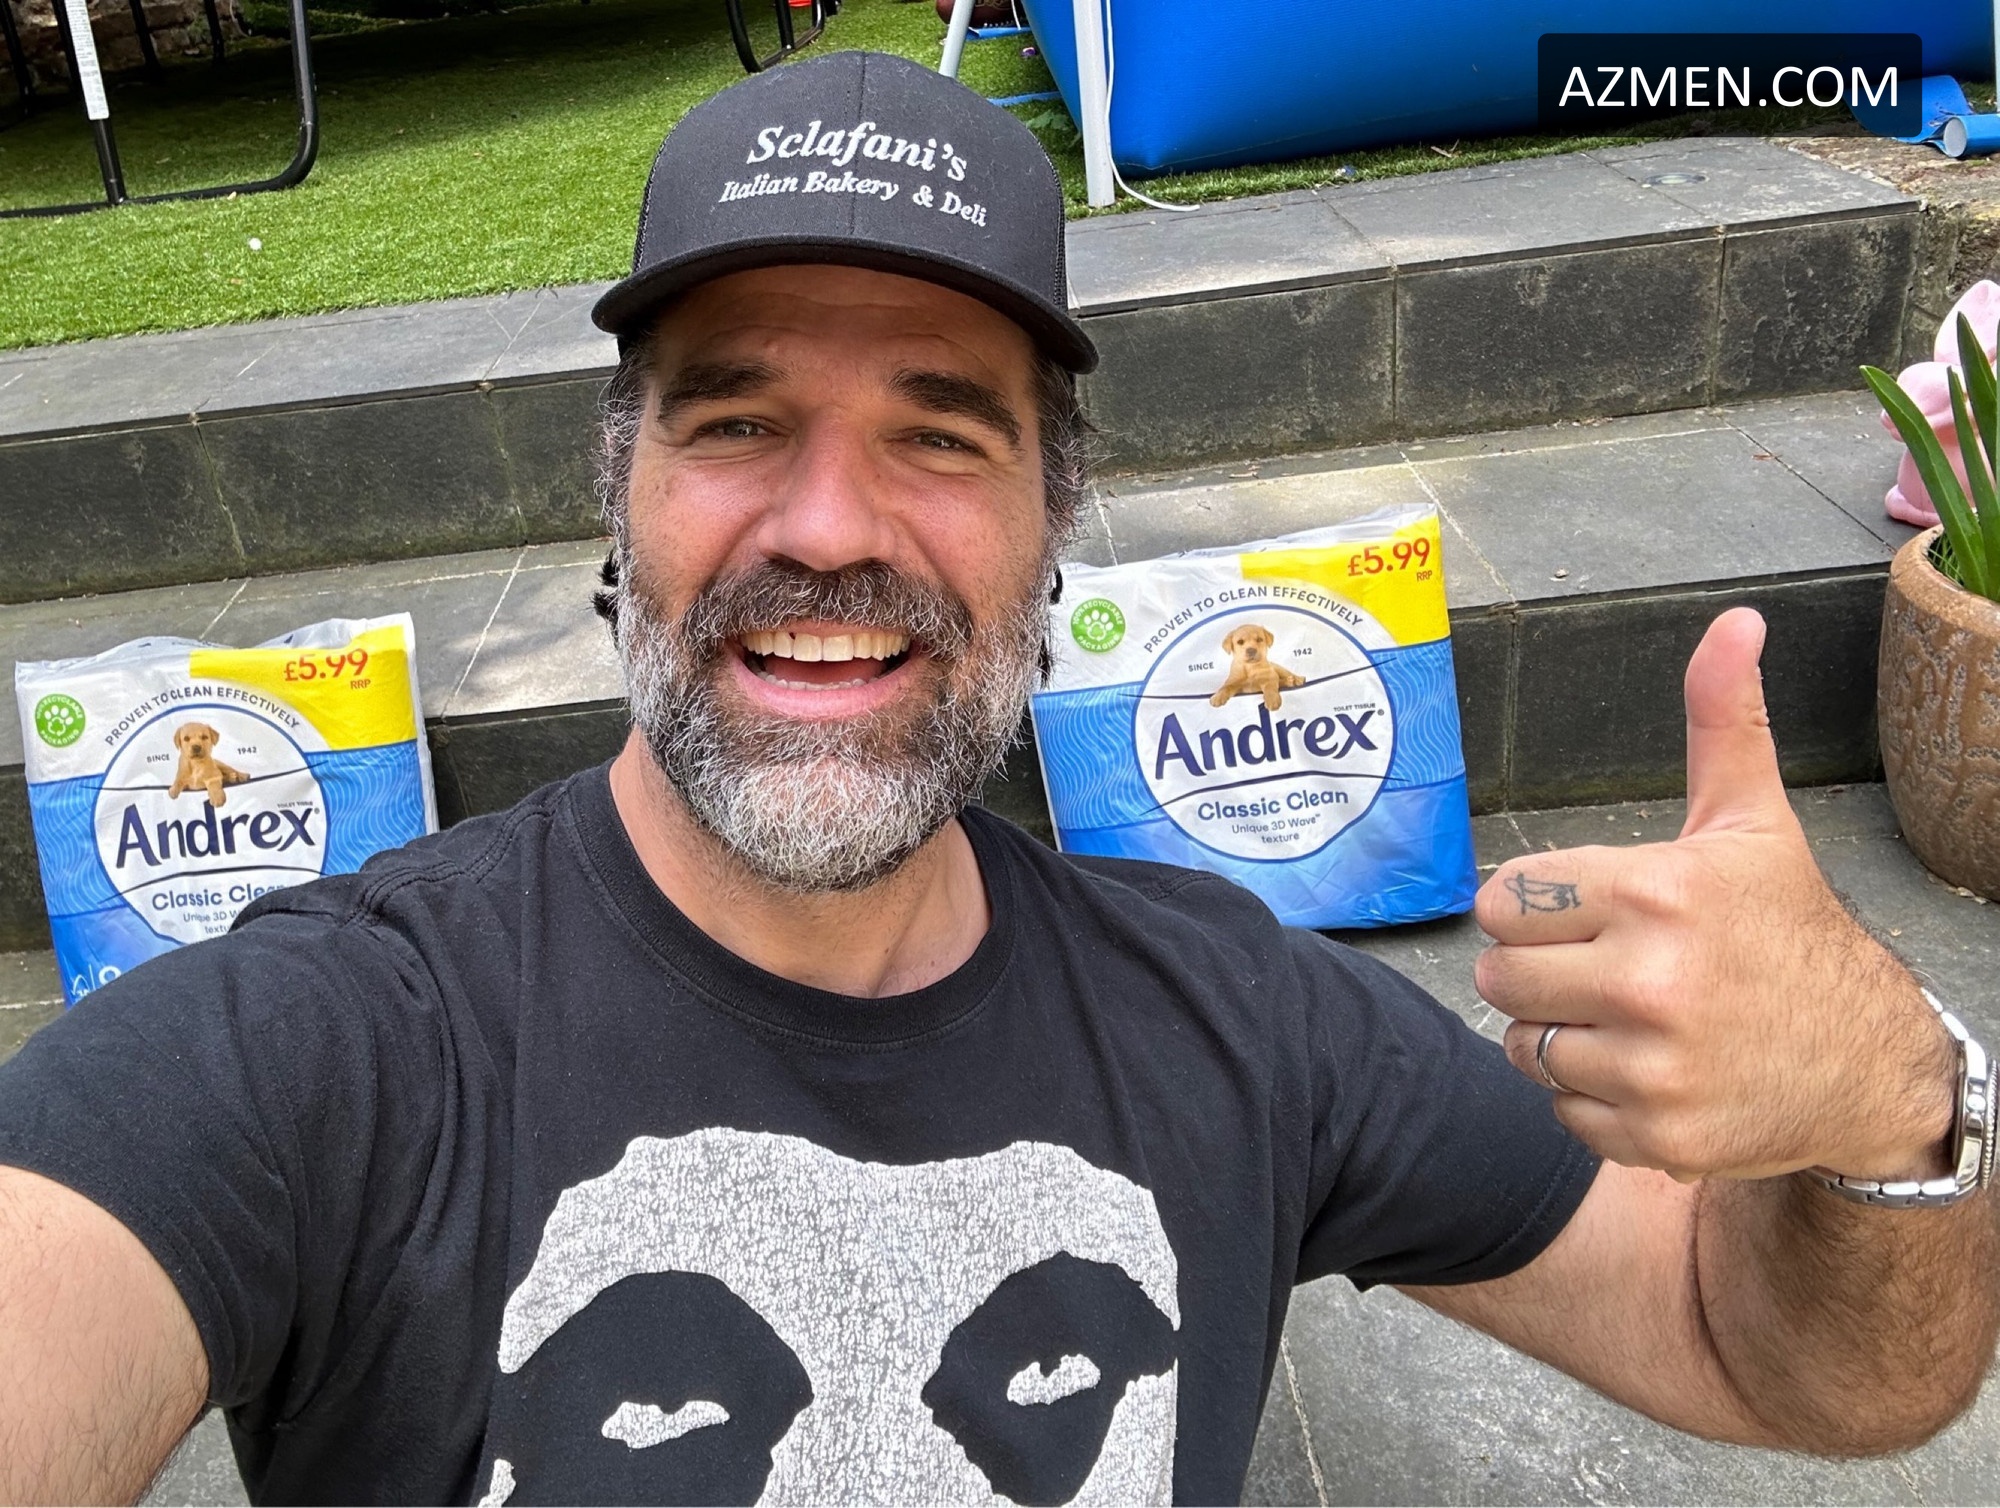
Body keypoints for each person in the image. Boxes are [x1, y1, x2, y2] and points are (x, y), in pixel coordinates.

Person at [1, 51, 1995, 1507]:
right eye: (736, 422)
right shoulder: (319, 1057)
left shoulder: (1241, 1022)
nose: (824, 525)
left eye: (942, 434)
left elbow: (1784, 1362)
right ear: (619, 494)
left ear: (1055, 530)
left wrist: (1893, 1107)